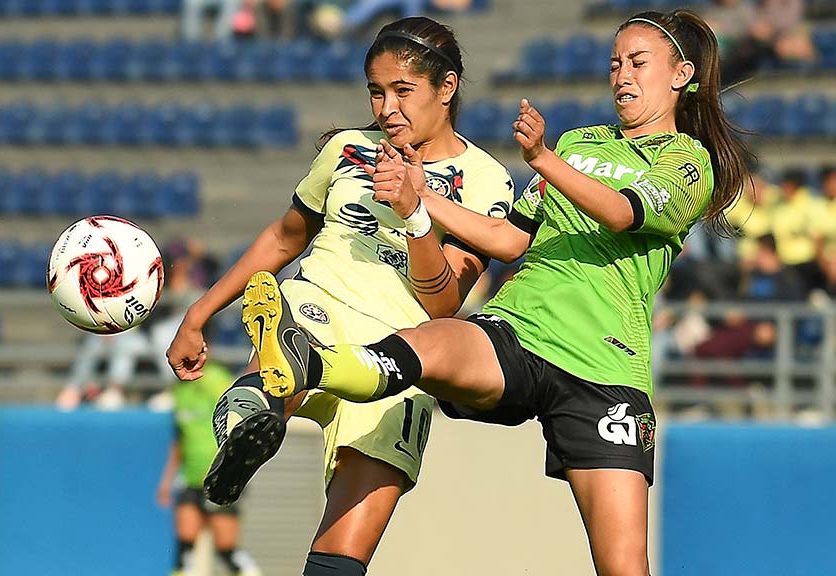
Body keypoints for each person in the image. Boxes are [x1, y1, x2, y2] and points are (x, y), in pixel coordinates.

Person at [241, 10, 750, 575]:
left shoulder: (686, 162)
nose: (621, 75)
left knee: (624, 567)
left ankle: (314, 365)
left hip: (604, 369)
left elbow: (621, 212)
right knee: (428, 343)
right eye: (614, 63)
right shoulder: (582, 142)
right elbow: (508, 239)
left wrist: (543, 160)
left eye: (637, 63)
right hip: (520, 328)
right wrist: (421, 200)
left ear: (680, 75)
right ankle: (311, 364)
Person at [167, 16, 514, 576]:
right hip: (320, 303)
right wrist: (199, 313)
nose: (386, 109)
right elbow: (284, 238)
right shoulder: (348, 150)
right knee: (280, 363)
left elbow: (444, 305)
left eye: (403, 91)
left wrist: (416, 212)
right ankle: (248, 423)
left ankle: (252, 414)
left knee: (340, 558)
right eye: (376, 92)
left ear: (446, 88)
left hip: (401, 355)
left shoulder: (485, 179)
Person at [157, 360, 262, 576]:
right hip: (190, 479)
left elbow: (238, 416)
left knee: (226, 550)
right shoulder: (178, 392)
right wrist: (166, 482)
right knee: (184, 549)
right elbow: (180, 439)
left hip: (219, 477)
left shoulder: (215, 379)